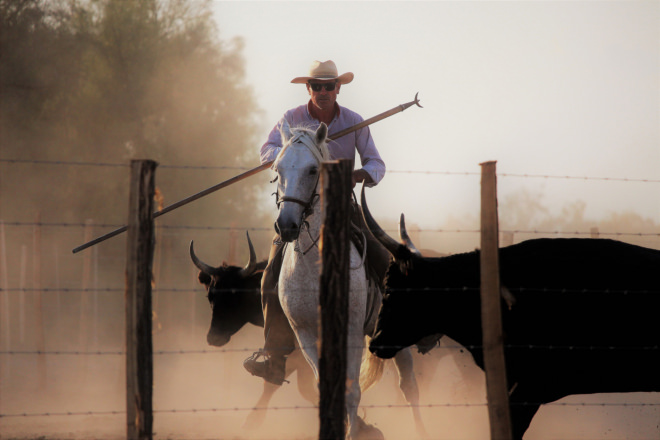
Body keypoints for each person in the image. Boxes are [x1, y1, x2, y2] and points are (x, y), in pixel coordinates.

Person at [243, 60, 389, 385]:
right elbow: (267, 148)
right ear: (308, 88)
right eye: (317, 86)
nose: (323, 91)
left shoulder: (354, 121)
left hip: (343, 206)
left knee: (384, 261)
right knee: (270, 277)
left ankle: (392, 329)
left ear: (338, 88)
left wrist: (362, 174)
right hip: (297, 208)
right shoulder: (290, 119)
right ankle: (275, 357)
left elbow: (376, 161)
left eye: (329, 85)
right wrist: (286, 158)